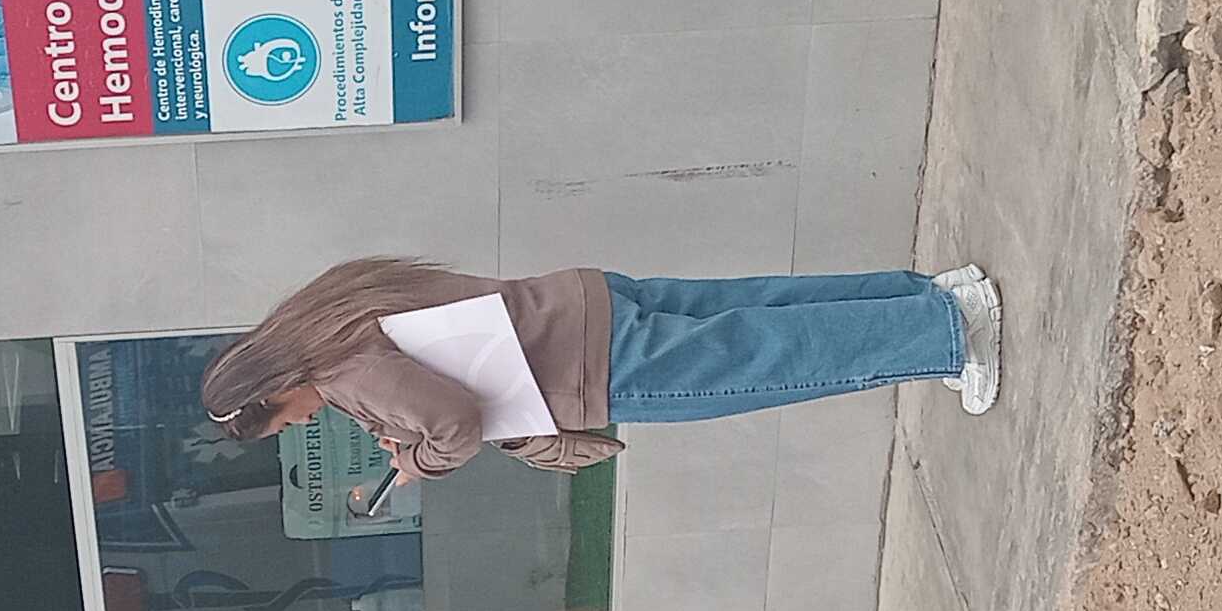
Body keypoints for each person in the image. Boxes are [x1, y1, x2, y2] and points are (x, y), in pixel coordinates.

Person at [199, 257, 1004, 489]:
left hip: (588, 368)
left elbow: (455, 424)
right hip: (578, 305)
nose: (299, 425)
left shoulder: (343, 369)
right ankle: (928, 297)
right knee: (757, 305)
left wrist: (418, 463)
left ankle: (943, 331)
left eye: (282, 421)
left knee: (767, 359)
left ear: (270, 390)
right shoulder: (332, 304)